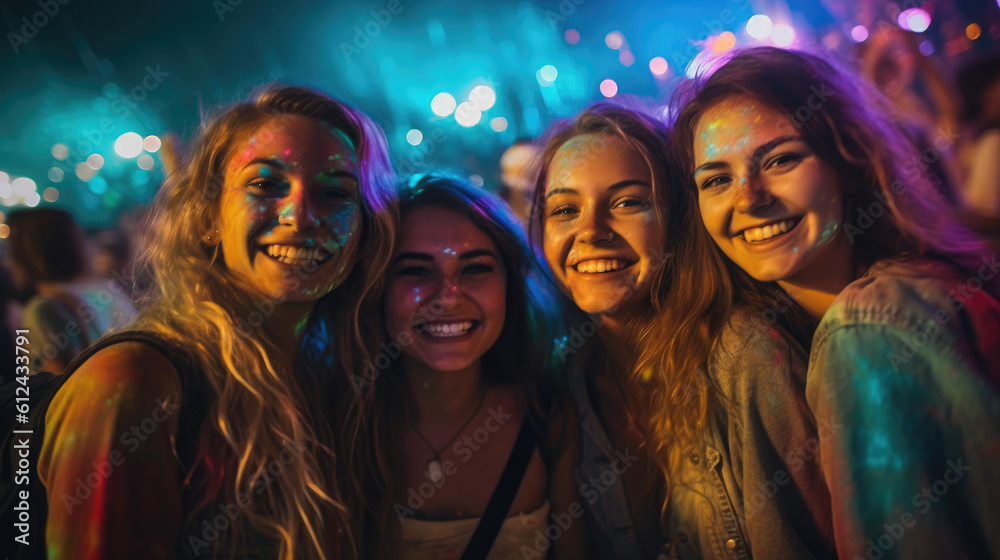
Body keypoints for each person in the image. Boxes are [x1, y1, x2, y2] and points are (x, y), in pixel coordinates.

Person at [37, 84, 397, 560]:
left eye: (334, 192)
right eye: (265, 184)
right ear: (208, 215)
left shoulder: (344, 374)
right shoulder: (132, 383)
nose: (301, 216)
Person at [673, 46, 1000, 558]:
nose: (748, 197)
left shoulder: (864, 332)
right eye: (716, 179)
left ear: (848, 164)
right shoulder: (897, 294)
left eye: (781, 159)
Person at [533, 101, 836, 559]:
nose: (590, 231)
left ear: (680, 219)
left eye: (628, 202)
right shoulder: (566, 373)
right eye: (564, 210)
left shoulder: (746, 359)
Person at [339, 173, 589, 559]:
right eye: (416, 270)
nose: (449, 297)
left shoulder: (547, 416)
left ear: (509, 283)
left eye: (475, 268)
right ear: (377, 287)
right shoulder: (335, 420)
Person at [4, 208, 105, 375]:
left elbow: (60, 388)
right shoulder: (104, 290)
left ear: (28, 254)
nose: (9, 260)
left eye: (12, 249)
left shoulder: (42, 309)